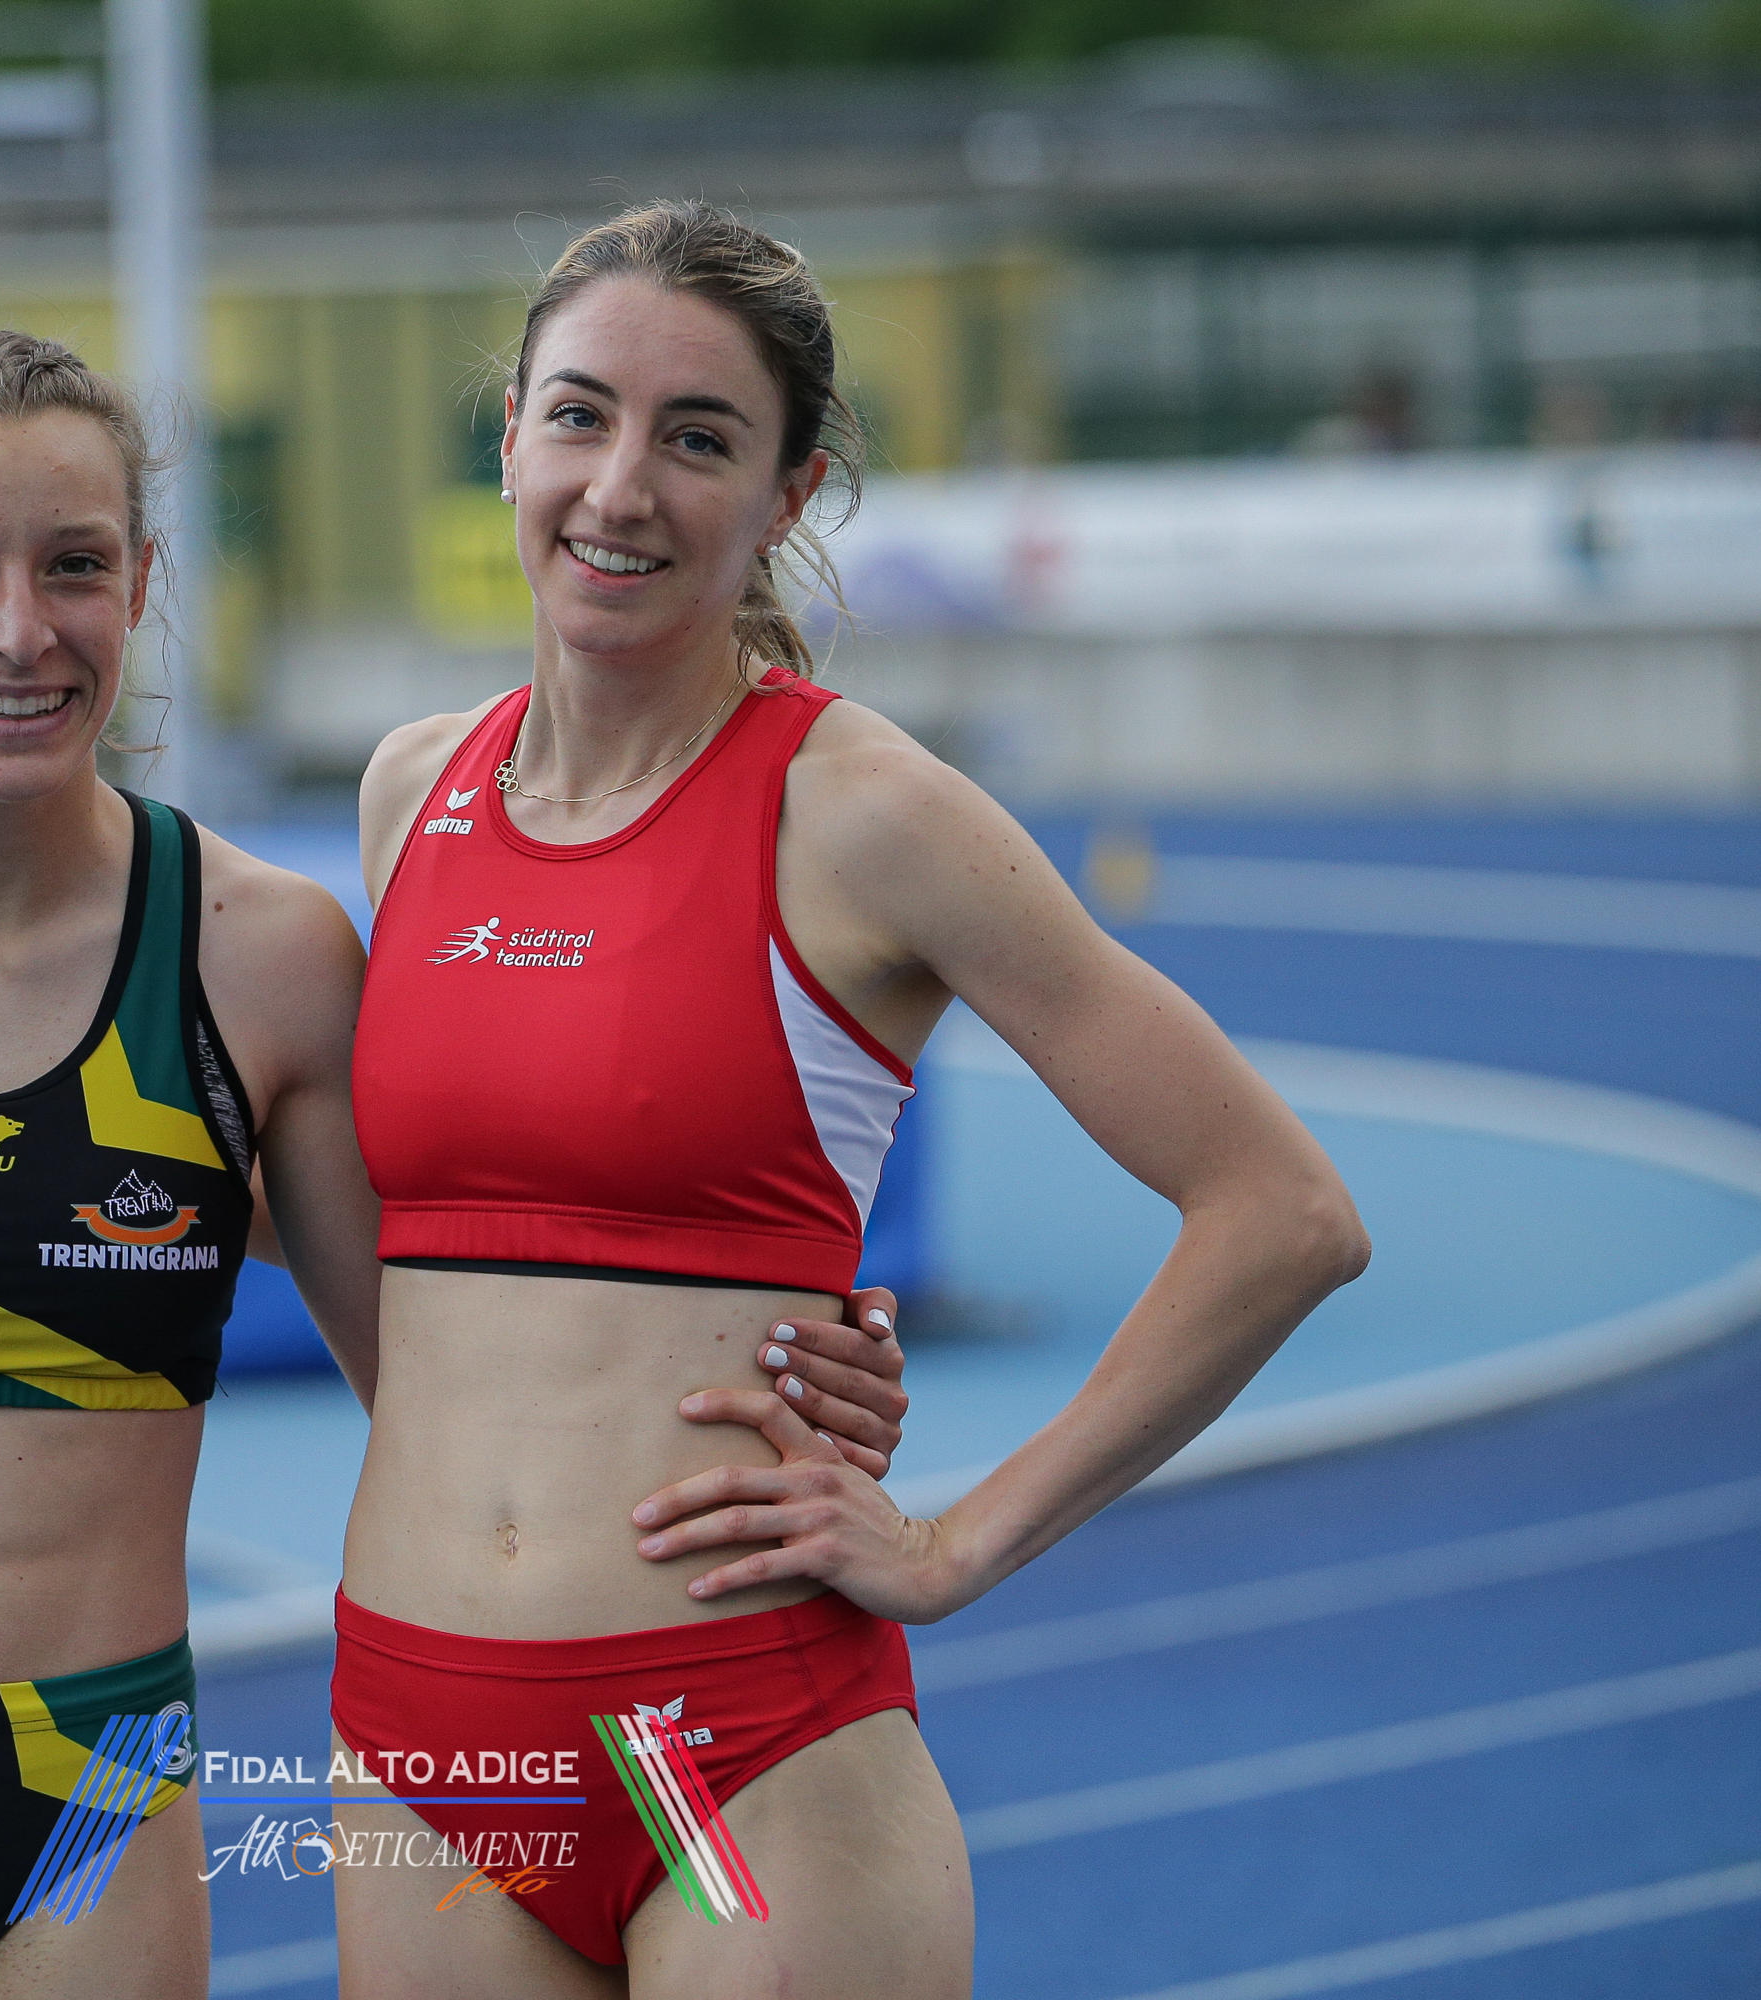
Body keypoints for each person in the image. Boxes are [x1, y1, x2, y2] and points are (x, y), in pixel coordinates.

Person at [0, 327, 912, 2000]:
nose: (17, 629)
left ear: (143, 584)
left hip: (91, 1801)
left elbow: (461, 1361)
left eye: (72, 566)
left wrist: (761, 1371)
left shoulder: (261, 961)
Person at [331, 201, 1370, 1998]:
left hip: (732, 1735)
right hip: (425, 1749)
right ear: (508, 435)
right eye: (578, 416)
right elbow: (437, 1260)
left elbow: (1281, 1212)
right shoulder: (408, 793)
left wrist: (961, 1538)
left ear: (787, 495)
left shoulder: (864, 812)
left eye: (697, 438)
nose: (619, 487)